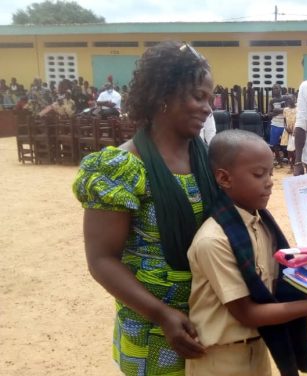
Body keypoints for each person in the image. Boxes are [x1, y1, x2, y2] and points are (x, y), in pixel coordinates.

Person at [72, 41, 217, 376]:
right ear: (162, 95)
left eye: (210, 98)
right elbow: (101, 259)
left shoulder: (209, 158)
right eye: (198, 96)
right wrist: (161, 314)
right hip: (153, 328)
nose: (208, 107)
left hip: (213, 320)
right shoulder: (122, 168)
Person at [186, 129, 307, 376]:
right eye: (258, 174)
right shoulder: (214, 241)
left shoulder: (263, 226)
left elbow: (279, 282)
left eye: (270, 173)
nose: (269, 182)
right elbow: (246, 313)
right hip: (221, 360)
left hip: (257, 349)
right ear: (224, 178)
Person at [267, 83, 286, 167]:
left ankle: (290, 161)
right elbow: (269, 114)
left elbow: (289, 110)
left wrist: (277, 110)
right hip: (275, 124)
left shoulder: (285, 99)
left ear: (280, 89)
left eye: (277, 88)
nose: (275, 90)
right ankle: (279, 161)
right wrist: (279, 111)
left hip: (285, 125)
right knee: (274, 145)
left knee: (288, 145)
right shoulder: (271, 101)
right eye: (274, 88)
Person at [283, 94, 298, 172]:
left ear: (295, 99)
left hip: (296, 131)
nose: (291, 100)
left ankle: (295, 165)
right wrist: (286, 128)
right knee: (289, 150)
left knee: (295, 150)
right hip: (288, 132)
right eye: (289, 99)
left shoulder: (298, 109)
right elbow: (284, 122)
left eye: (292, 98)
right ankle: (291, 166)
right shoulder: (285, 110)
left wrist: (295, 130)